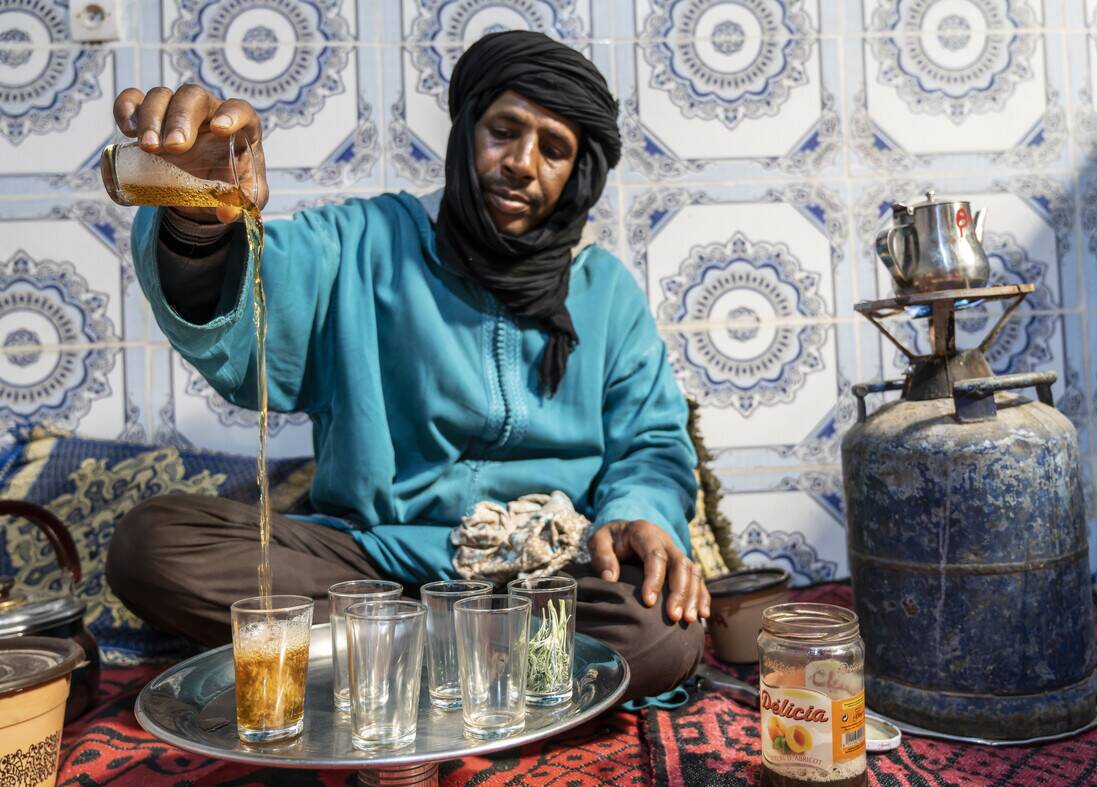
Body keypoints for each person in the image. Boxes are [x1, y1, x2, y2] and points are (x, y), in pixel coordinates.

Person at [105, 31, 708, 701]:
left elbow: (652, 444)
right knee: (150, 546)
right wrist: (200, 221)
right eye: (503, 131)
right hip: (369, 565)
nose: (522, 163)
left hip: (550, 574)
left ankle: (381, 661)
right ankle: (484, 669)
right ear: (466, 133)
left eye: (554, 149)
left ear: (578, 172)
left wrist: (640, 513)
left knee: (663, 629)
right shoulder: (363, 243)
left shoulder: (607, 292)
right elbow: (242, 307)